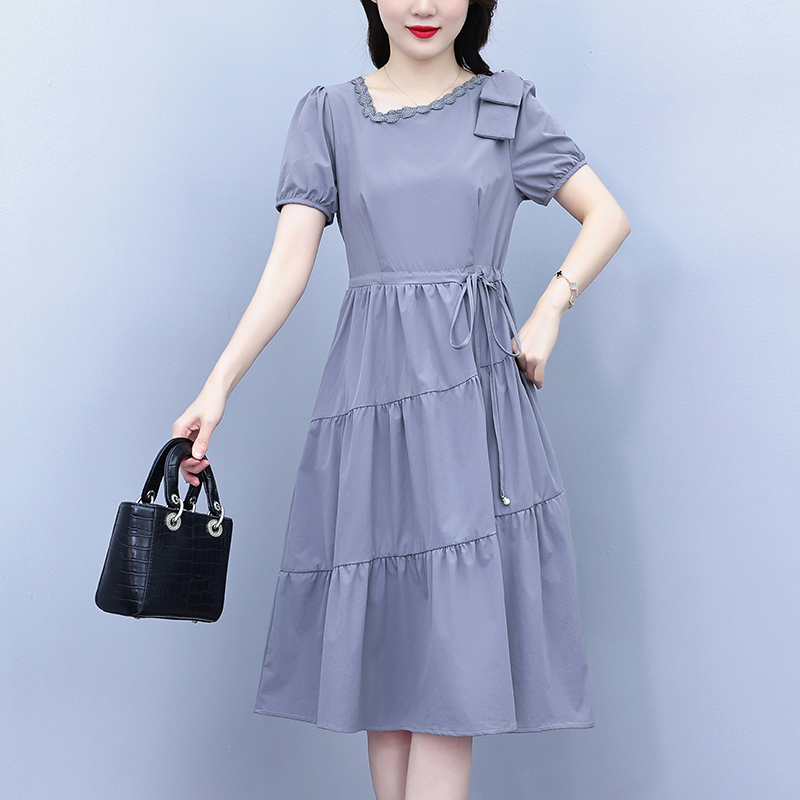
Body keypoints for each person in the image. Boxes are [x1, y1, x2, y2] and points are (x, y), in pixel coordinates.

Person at [173, 0, 631, 798]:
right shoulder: (328, 115)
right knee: (388, 660)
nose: (424, 5)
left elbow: (607, 216)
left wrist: (550, 308)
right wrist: (219, 385)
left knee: (452, 663)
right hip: (371, 405)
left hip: (470, 406)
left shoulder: (504, 105)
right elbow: (288, 267)